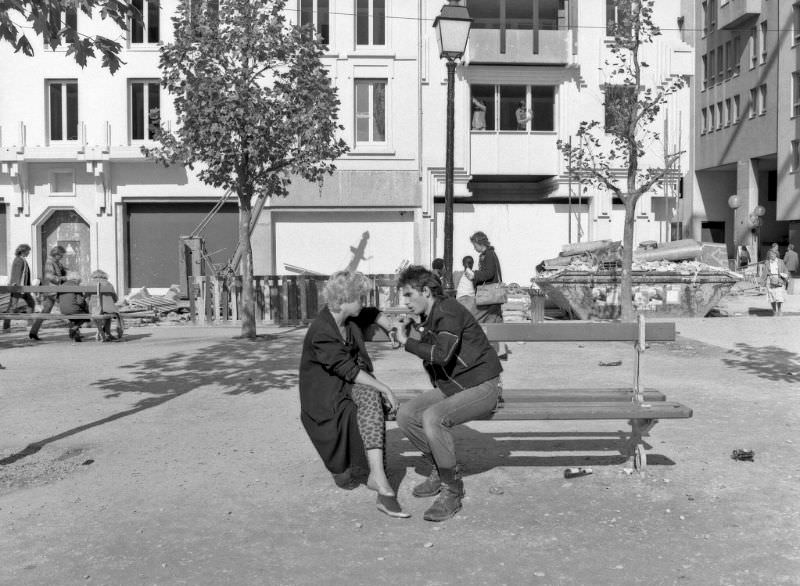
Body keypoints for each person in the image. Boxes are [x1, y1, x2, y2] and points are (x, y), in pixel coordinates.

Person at [394, 265, 502, 522]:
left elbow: (441, 356)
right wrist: (415, 328)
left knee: (433, 418)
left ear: (426, 291)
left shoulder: (448, 311)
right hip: (455, 385)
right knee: (406, 414)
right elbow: (434, 348)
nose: (405, 302)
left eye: (409, 295)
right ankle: (439, 469)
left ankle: (452, 489)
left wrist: (406, 342)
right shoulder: (431, 315)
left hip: (483, 385)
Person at [298, 271, 409, 518]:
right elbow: (347, 369)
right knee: (343, 475)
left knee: (369, 394)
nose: (363, 301)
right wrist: (385, 388)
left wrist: (390, 326)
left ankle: (378, 478)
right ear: (344, 299)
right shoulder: (322, 330)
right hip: (326, 399)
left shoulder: (349, 320)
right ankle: (360, 470)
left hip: (348, 387)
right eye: (359, 297)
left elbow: (370, 312)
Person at [468, 231, 507, 360]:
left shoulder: (488, 255)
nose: (474, 248)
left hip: (489, 296)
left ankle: (483, 351)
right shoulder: (488, 254)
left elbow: (489, 274)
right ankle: (501, 351)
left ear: (480, 243)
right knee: (496, 321)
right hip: (493, 295)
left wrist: (475, 275)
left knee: (479, 320)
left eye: (474, 244)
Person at [29, 245, 67, 341]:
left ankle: (33, 332)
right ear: (56, 254)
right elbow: (50, 276)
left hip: (54, 291)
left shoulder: (55, 262)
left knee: (46, 311)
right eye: (61, 255)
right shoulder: (50, 262)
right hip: (53, 291)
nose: (62, 257)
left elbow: (63, 270)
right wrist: (63, 278)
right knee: (67, 309)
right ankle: (75, 331)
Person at [2, 244, 35, 332]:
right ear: (24, 251)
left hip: (24, 288)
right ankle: (6, 327)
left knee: (31, 303)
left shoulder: (22, 260)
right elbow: (16, 274)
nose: (29, 252)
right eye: (28, 251)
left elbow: (26, 275)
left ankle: (30, 324)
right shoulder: (19, 260)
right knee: (12, 307)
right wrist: (16, 286)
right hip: (19, 288)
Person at [87, 270, 119, 342]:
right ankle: (107, 333)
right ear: (104, 275)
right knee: (108, 314)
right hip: (107, 308)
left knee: (99, 313)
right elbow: (115, 299)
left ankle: (102, 332)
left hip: (94, 309)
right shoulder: (108, 284)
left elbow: (86, 297)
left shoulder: (90, 284)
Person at [58, 271, 89, 341]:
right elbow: (80, 302)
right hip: (73, 309)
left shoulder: (62, 285)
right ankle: (74, 328)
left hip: (63, 310)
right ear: (77, 279)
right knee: (86, 315)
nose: (79, 283)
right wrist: (85, 304)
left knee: (75, 316)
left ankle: (76, 335)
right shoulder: (76, 286)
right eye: (79, 281)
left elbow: (58, 300)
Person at [761, 249, 788, 316]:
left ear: (776, 254)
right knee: (772, 297)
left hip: (779, 281)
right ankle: (774, 310)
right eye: (770, 255)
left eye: (773, 254)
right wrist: (762, 284)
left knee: (779, 297)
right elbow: (764, 273)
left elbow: (785, 270)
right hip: (770, 281)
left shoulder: (781, 262)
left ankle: (779, 310)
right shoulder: (767, 263)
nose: (771, 256)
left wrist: (785, 278)